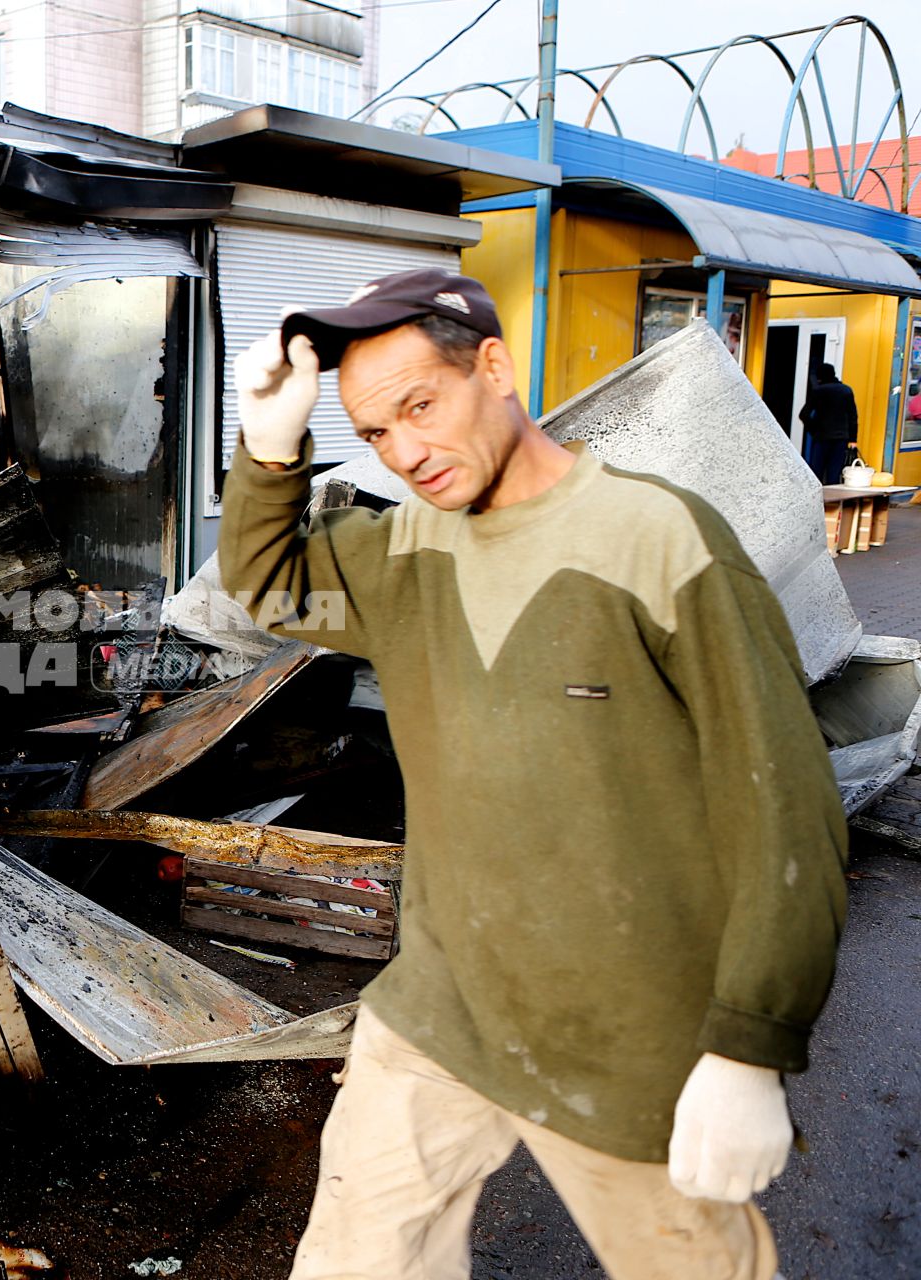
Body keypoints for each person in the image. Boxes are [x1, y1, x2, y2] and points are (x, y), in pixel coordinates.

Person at [217, 268, 847, 1280]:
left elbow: (786, 807)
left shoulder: (660, 538)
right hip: (442, 1007)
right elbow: (266, 580)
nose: (405, 452)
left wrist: (750, 1044)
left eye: (420, 405)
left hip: (631, 1034)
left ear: (497, 368)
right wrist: (271, 444)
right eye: (375, 433)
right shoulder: (400, 552)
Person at [799, 362, 857, 484]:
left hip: (821, 437)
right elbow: (853, 417)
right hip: (841, 438)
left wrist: (813, 429)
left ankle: (815, 500)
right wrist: (853, 439)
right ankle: (832, 501)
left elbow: (803, 414)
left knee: (816, 472)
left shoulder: (818, 391)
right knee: (834, 473)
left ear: (820, 377)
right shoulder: (846, 391)